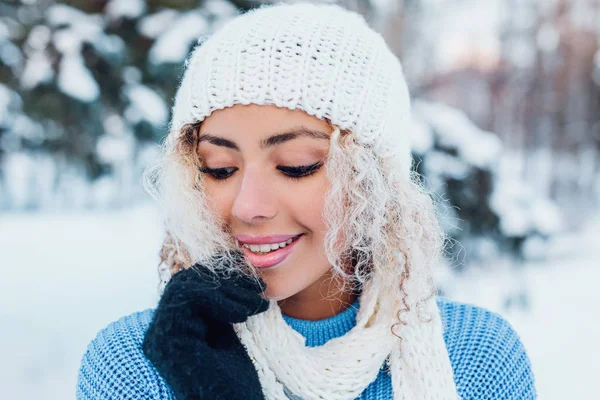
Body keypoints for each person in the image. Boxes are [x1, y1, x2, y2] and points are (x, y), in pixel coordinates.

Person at [76, 3, 536, 399]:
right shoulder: (137, 366)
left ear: (373, 181)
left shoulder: (477, 360)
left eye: (296, 165)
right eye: (220, 167)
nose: (247, 206)